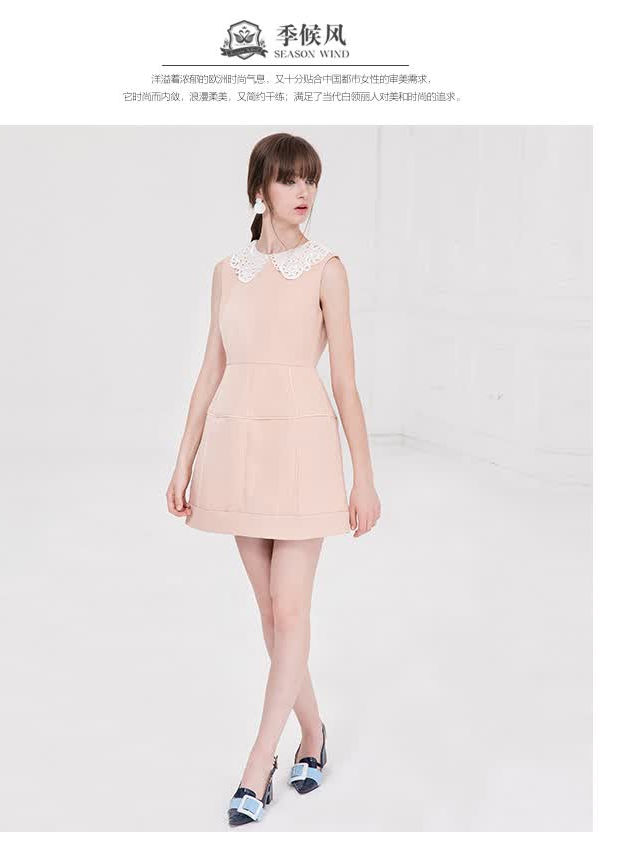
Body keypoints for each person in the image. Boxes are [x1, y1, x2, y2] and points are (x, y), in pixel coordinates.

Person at [165, 132, 380, 826]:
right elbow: (210, 370)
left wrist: (364, 478)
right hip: (236, 446)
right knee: (268, 614)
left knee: (291, 611)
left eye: (310, 178)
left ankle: (260, 762)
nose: (303, 191)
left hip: (303, 446)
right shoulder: (227, 271)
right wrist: (184, 458)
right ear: (260, 187)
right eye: (289, 179)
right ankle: (313, 733)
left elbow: (345, 382)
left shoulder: (328, 269)